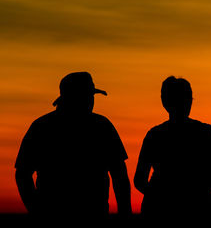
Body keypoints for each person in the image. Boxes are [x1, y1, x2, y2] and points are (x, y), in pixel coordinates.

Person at [15, 72, 132, 217]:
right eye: (87, 96)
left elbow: (119, 174)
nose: (91, 101)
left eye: (91, 97)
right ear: (74, 98)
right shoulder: (101, 126)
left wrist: (36, 209)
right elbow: (22, 173)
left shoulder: (41, 126)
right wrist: (36, 209)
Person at [134, 76, 211, 219]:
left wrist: (160, 196)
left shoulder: (155, 135)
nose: (186, 103)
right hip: (185, 207)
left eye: (187, 98)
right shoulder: (206, 133)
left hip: (162, 206)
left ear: (164, 102)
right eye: (184, 98)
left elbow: (140, 180)